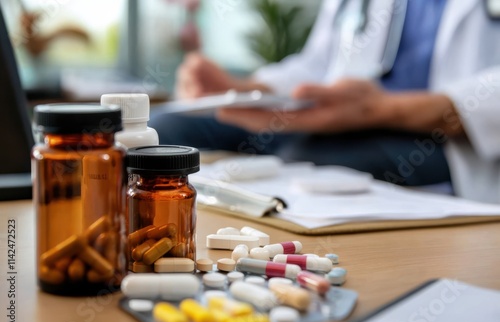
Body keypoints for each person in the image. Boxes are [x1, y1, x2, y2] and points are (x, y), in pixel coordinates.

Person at [150, 0, 500, 203]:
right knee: (166, 130)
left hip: (449, 141)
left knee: (306, 163)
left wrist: (378, 109)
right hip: (336, 118)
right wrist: (244, 89)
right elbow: (318, 63)